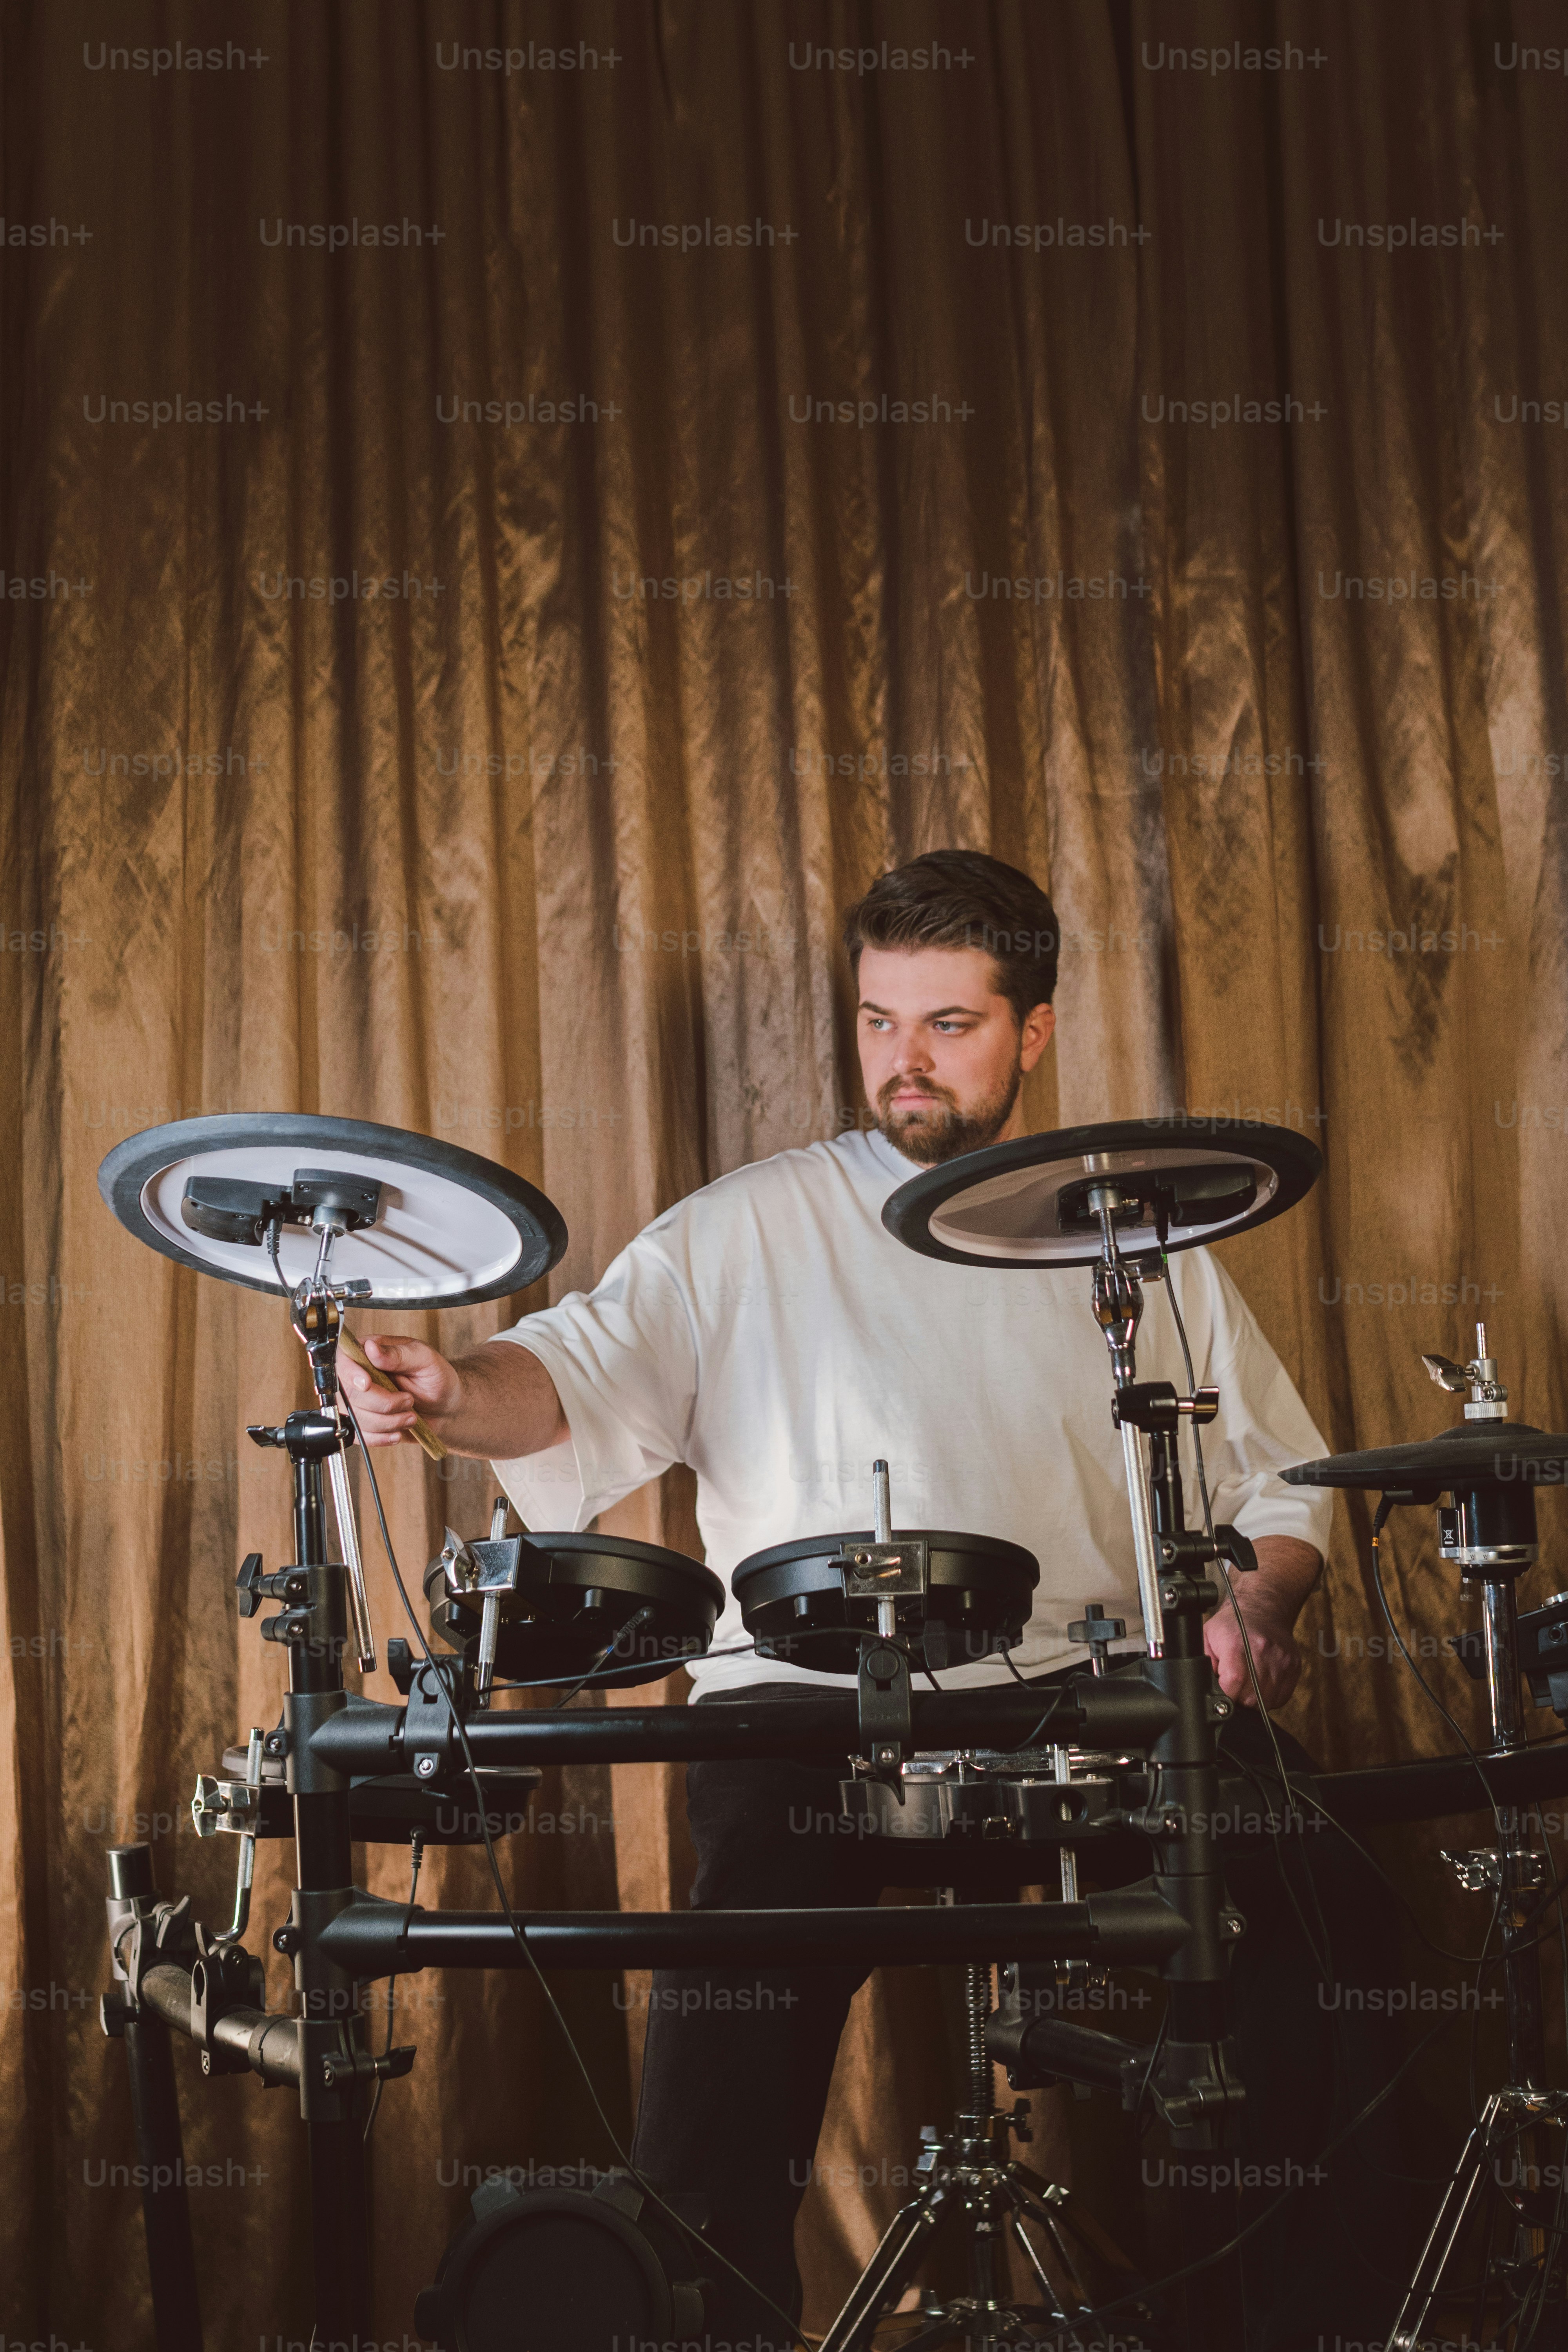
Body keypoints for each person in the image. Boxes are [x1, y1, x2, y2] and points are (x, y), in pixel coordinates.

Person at [343, 851, 1399, 2347]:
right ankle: (711, 2326)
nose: (906, 1060)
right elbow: (569, 1374)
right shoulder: (747, 1226)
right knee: (724, 2034)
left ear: (1033, 1031)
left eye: (950, 1025)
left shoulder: (1133, 1229)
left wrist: (1263, 1604)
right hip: (803, 1702)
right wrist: (456, 1390)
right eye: (879, 1019)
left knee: (1322, 1895)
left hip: (1076, 1698)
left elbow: (1278, 1483)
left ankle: (1282, 2319)